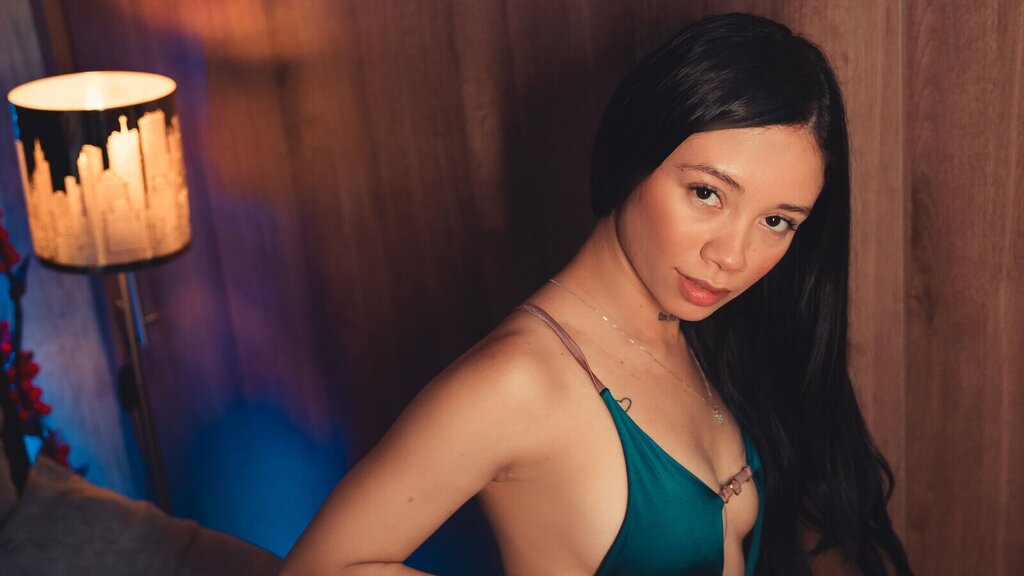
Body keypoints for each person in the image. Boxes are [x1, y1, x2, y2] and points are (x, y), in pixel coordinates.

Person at [281, 12, 912, 576]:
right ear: (637, 150)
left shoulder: (702, 336)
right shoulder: (517, 381)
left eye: (776, 221)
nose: (733, 257)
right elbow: (321, 567)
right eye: (707, 193)